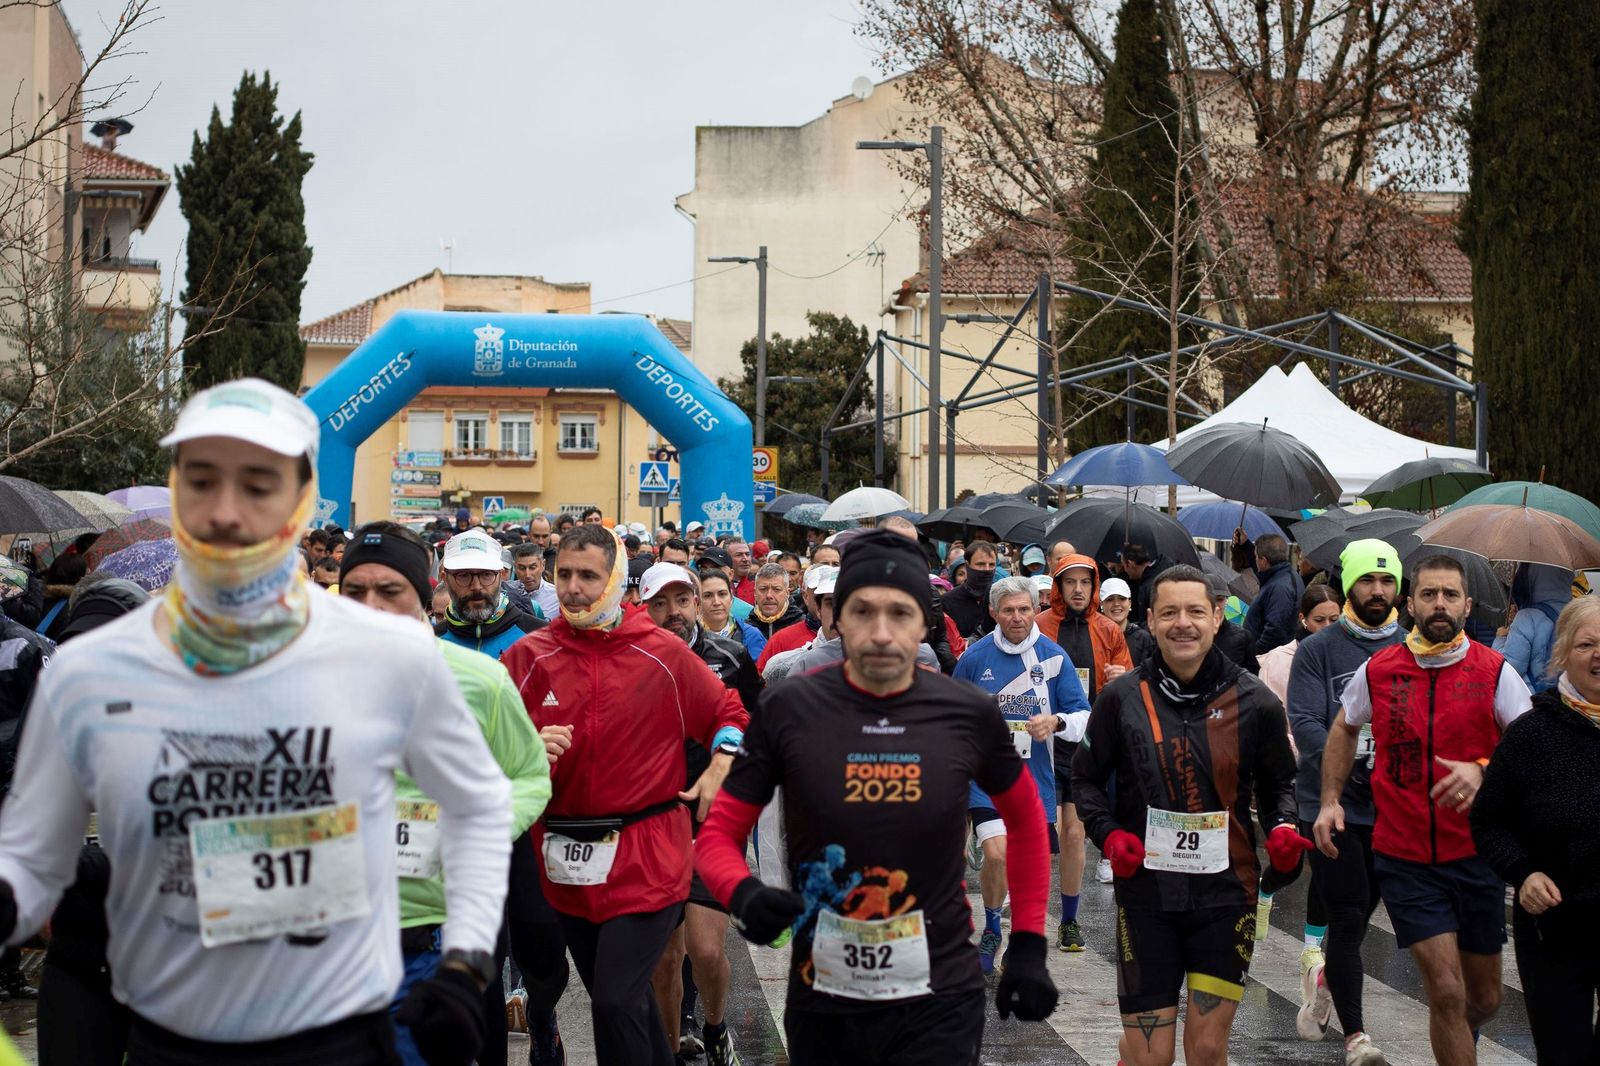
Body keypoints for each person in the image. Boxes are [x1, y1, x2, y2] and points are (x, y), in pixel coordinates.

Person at [0, 378, 513, 1063]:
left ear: (302, 502)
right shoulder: (88, 673)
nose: (226, 510)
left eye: (258, 484)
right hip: (165, 1042)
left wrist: (466, 962)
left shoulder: (391, 656)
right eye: (202, 480)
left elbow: (479, 805)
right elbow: (31, 859)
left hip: (340, 1041)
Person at [695, 529, 1059, 1065]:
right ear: (836, 617)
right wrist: (743, 892)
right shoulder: (790, 708)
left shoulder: (965, 711)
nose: (882, 633)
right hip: (825, 990)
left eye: (901, 613)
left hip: (941, 988)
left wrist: (1028, 940)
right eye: (863, 612)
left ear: (925, 623)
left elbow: (1026, 823)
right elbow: (720, 832)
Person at [500, 523, 749, 1066]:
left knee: (613, 1003)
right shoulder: (528, 657)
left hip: (647, 853)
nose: (572, 587)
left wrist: (724, 759)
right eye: (564, 574)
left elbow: (730, 713)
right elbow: (485, 750)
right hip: (564, 860)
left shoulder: (661, 652)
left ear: (616, 582)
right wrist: (522, 748)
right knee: (625, 1007)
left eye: (587, 575)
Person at [1074, 563, 1307, 1066]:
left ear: (1217, 617)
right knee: (1150, 1057)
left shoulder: (1256, 701)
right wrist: (1109, 834)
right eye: (1170, 612)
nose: (1184, 623)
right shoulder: (1119, 699)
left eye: (1196, 611)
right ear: (1151, 621)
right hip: (1146, 897)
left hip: (1225, 894)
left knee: (1205, 1050)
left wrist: (1284, 828)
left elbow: (1278, 783)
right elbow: (1085, 778)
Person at [338, 522, 552, 1066]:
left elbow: (530, 777)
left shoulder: (479, 678)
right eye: (355, 591)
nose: (370, 605)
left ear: (420, 591)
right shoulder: (302, 679)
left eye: (389, 590)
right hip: (336, 929)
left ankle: (540, 1022)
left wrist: (479, 827)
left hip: (437, 929)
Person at [1315, 554, 1532, 1066]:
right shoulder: (1380, 669)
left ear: (1467, 605)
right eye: (1429, 594)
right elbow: (1344, 727)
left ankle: (1451, 1033)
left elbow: (1526, 749)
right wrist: (1329, 801)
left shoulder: (1496, 671)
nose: (1439, 605)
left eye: (1450, 595)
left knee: (1484, 1000)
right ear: (1409, 603)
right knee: (1448, 992)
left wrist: (1482, 768)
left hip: (1477, 856)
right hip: (1406, 858)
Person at [1281, 541, 1404, 1065]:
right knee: (1350, 916)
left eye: (1387, 581)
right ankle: (1358, 1038)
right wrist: (1347, 762)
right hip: (1330, 805)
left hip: (1396, 807)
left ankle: (1329, 975)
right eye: (1366, 581)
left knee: (1370, 906)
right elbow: (1307, 724)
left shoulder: (1415, 645)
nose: (1377, 591)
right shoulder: (1319, 650)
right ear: (1349, 584)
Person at [640, 563, 760, 1066]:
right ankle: (668, 1050)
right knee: (665, 961)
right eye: (659, 604)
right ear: (643, 608)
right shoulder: (632, 660)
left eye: (680, 601)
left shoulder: (730, 656)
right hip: (649, 823)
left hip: (711, 821)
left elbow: (757, 723)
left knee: (707, 951)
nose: (673, 614)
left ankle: (713, 1025)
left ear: (697, 603)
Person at [1472, 595, 1600, 1065]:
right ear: (1563, 652)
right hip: (1554, 930)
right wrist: (1523, 873)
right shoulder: (1531, 733)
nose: (1598, 655)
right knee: (1564, 1055)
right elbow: (1488, 821)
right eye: (1587, 644)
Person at [955, 576, 1088, 970]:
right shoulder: (975, 657)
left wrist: (1056, 722)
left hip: (1037, 779)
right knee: (996, 854)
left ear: (1036, 610)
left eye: (1025, 609)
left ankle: (1016, 937)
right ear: (995, 612)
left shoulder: (1053, 657)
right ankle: (993, 926)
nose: (1017, 617)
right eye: (1009, 610)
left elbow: (1083, 714)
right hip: (986, 780)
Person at [1036, 553, 1134, 942]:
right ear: (1058, 587)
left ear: (1094, 587)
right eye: (1070, 582)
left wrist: (1120, 677)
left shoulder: (1109, 630)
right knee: (1046, 835)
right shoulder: (1041, 626)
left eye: (1085, 583)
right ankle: (1034, 918)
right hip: (1043, 741)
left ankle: (1069, 921)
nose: (1078, 590)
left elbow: (1127, 681)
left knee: (1075, 835)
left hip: (1086, 743)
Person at [437, 528, 545, 658]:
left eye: (486, 574)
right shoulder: (430, 643)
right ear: (445, 579)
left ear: (502, 575)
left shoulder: (540, 638)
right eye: (463, 575)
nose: (476, 587)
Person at [1257, 583, 1343, 704]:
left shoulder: (1347, 654)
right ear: (1303, 619)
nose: (1327, 626)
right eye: (1319, 620)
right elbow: (1269, 711)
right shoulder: (1279, 659)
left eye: (1334, 620)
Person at [1493, 562, 1572, 693]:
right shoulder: (1576, 614)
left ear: (1530, 578)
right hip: (1567, 700)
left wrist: (1500, 639)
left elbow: (1507, 670)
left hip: (1532, 702)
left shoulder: (1528, 617)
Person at [1238, 533, 1305, 654]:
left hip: (1265, 661)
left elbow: (1275, 631)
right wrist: (1246, 545)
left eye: (1256, 557)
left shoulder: (1280, 587)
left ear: (1264, 561)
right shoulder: (1282, 575)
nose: (1255, 561)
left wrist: (1253, 654)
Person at [698, 566, 766, 660]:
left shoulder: (751, 635)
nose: (717, 602)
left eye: (722, 594)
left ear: (731, 597)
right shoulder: (689, 636)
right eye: (708, 596)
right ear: (697, 601)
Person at [942, 539, 998, 639]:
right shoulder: (947, 601)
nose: (987, 569)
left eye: (991, 565)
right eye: (980, 564)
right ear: (968, 566)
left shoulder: (1002, 598)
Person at [1120, 542, 1173, 630]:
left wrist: (1135, 628)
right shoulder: (1164, 571)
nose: (1124, 570)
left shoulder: (1151, 585)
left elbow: (1153, 622)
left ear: (1129, 563)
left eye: (1123, 565)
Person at [747, 561, 802, 638]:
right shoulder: (745, 629)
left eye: (776, 589)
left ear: (787, 593)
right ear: (755, 592)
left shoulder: (803, 626)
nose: (769, 595)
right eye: (763, 589)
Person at [512, 542, 560, 620]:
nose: (527, 575)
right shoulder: (506, 594)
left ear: (543, 565)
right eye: (522, 568)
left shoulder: (557, 597)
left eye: (532, 567)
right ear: (515, 567)